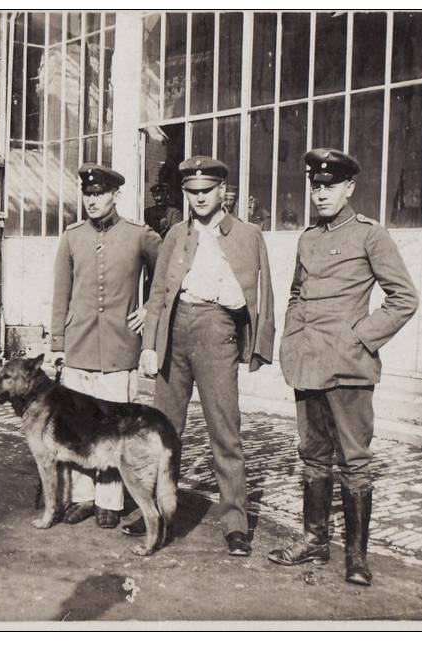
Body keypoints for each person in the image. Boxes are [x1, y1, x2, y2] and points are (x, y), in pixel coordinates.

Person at [268, 148, 419, 586]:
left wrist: (361, 338)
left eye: (330, 186)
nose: (321, 193)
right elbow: (298, 294)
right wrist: (291, 341)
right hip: (308, 364)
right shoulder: (308, 239)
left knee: (354, 461)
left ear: (349, 188)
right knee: (313, 455)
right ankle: (314, 541)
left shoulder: (371, 236)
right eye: (316, 186)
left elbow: (403, 297)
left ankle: (356, 557)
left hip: (349, 369)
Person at [134, 156, 275, 556]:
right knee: (163, 431)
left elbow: (262, 294)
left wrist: (258, 346)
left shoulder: (248, 235)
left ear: (222, 192)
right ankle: (157, 515)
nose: (198, 198)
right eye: (192, 192)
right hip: (176, 331)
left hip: (218, 332)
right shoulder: (175, 234)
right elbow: (158, 292)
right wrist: (149, 345)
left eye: (206, 191)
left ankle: (235, 523)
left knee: (225, 432)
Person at [50, 163, 161, 529]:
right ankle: (82, 497)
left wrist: (148, 310)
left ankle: (109, 502)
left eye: (99, 194)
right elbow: (61, 292)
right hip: (79, 345)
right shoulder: (72, 236)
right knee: (79, 426)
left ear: (116, 195)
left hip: (118, 347)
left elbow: (167, 278)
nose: (92, 200)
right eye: (88, 194)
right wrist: (57, 342)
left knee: (112, 428)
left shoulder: (139, 235)